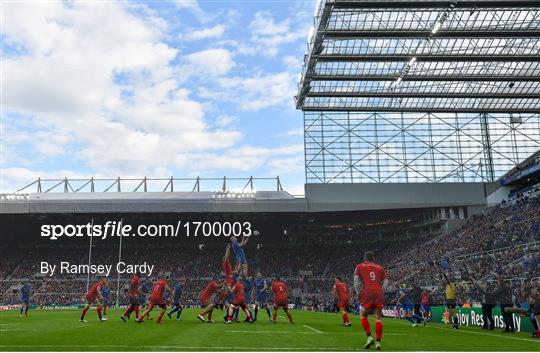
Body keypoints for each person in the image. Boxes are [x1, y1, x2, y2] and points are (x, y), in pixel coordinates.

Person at [354, 251, 386, 351]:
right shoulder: (380, 267)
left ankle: (369, 337)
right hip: (378, 292)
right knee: (378, 318)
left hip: (367, 291)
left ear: (365, 258)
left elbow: (356, 281)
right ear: (373, 258)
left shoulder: (360, 266)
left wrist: (358, 292)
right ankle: (378, 343)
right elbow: (386, 281)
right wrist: (381, 290)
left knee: (363, 316)